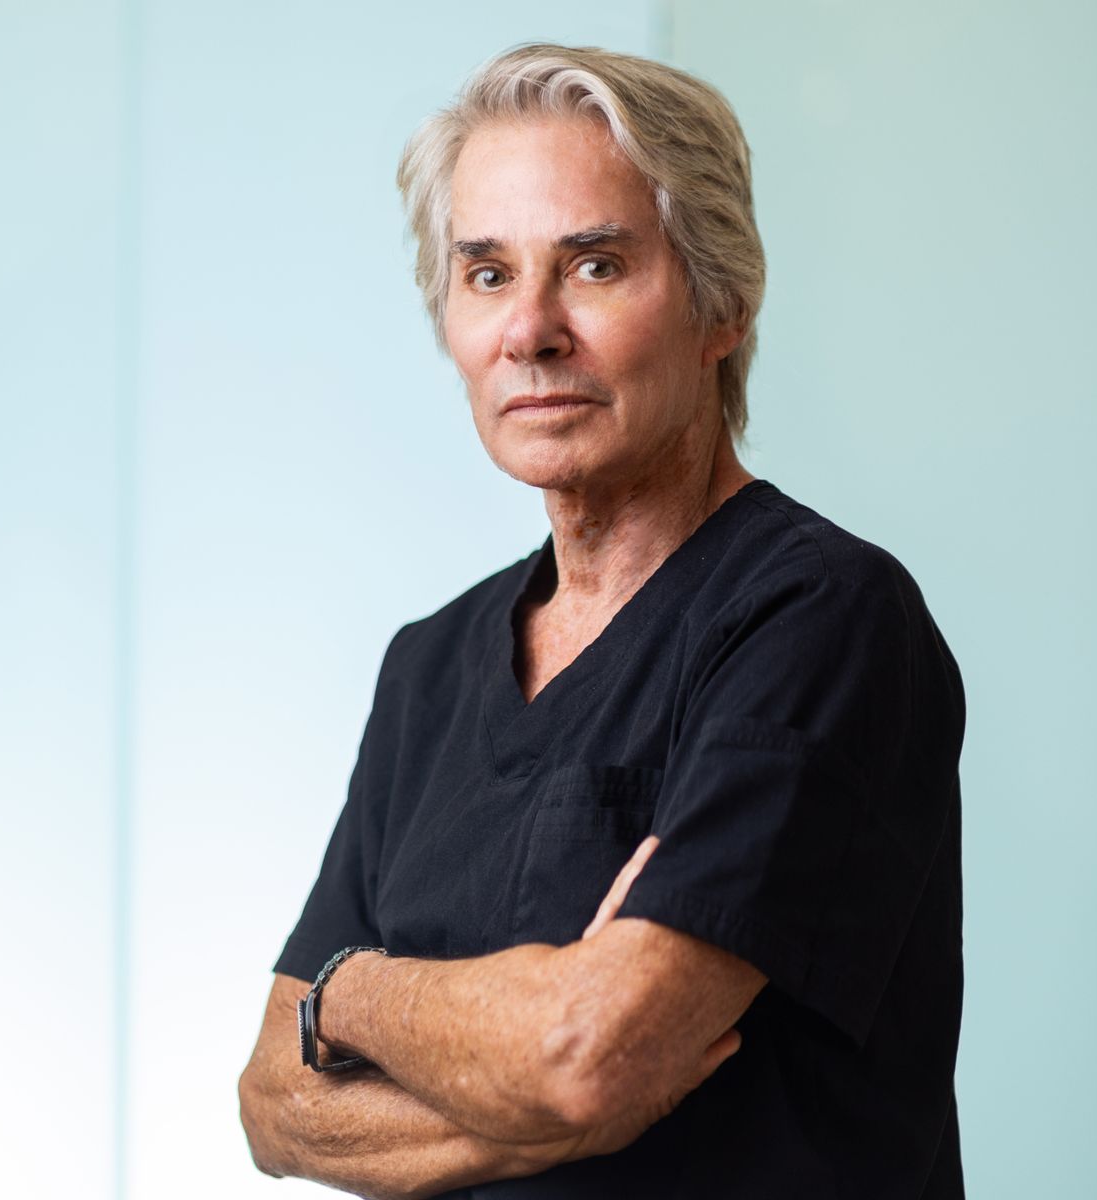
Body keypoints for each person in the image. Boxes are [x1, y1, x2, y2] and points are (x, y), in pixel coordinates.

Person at [236, 43, 964, 1198]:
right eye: (485, 275)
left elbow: (588, 1057)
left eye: (593, 265)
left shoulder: (820, 619)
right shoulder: (428, 668)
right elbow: (274, 1105)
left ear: (721, 302)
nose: (528, 331)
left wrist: (354, 995)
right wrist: (495, 1054)